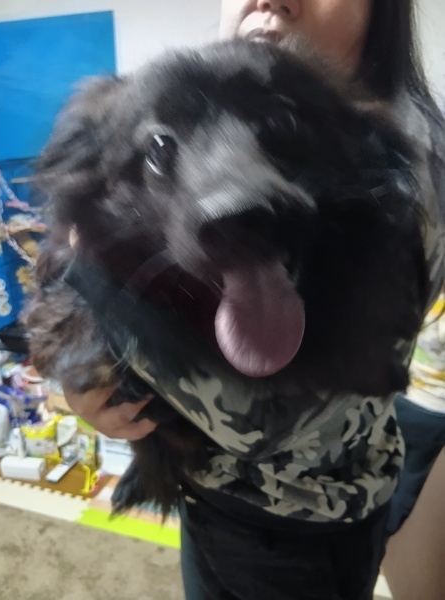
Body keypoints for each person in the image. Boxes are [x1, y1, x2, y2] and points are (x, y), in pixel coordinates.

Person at [62, 2, 445, 599]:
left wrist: (92, 295)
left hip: (299, 524)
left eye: (279, 124)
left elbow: (264, 423)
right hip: (217, 494)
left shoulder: (406, 164)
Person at [387, 290, 445, 535]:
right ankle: (392, 531)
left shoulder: (427, 291)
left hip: (403, 397)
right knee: (412, 478)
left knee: (386, 465)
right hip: (435, 411)